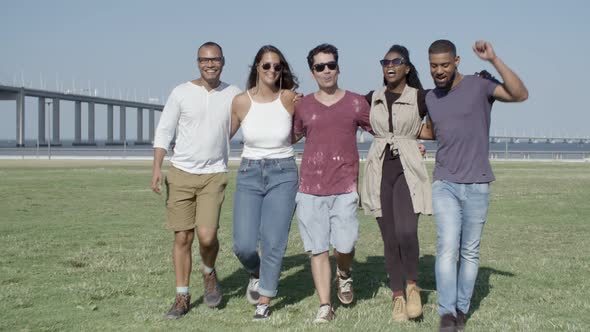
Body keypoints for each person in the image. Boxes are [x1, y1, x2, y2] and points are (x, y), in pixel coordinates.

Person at [426, 40, 528, 332]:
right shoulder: (431, 97)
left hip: (478, 184)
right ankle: (446, 315)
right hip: (444, 182)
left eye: (445, 64)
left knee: (469, 251)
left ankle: (461, 310)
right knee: (446, 247)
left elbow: (520, 94)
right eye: (434, 66)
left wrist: (494, 59)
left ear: (456, 61)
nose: (439, 71)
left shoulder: (480, 84)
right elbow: (434, 131)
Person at [151, 42, 241, 319]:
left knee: (207, 236)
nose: (209, 64)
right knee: (182, 237)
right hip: (180, 173)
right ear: (197, 62)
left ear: (223, 62)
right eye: (204, 60)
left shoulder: (233, 93)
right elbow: (165, 130)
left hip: (213, 174)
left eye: (214, 60)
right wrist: (156, 168)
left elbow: (248, 113)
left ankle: (209, 271)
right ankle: (182, 296)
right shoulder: (181, 92)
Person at [292, 43, 372, 323]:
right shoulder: (302, 105)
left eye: (331, 65)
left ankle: (344, 274)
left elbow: (382, 130)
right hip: (310, 188)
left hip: (345, 186)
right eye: (320, 66)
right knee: (318, 249)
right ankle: (325, 305)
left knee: (345, 245)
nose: (326, 71)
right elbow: (290, 137)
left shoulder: (356, 102)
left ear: (339, 67)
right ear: (312, 72)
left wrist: (411, 144)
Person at [361, 45, 433, 322]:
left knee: (405, 231)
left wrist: (415, 141)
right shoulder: (372, 98)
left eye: (396, 61)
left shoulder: (421, 98)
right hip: (379, 170)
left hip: (408, 170)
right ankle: (398, 297)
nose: (389, 65)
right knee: (389, 238)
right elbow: (342, 110)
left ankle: (413, 286)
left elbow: (440, 121)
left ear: (408, 67)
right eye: (385, 61)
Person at [230, 45, 299, 321]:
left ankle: (265, 299)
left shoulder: (290, 98)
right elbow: (219, 136)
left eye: (277, 66)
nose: (272, 70)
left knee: (273, 241)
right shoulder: (240, 102)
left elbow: (309, 128)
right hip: (249, 173)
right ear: (256, 67)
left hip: (283, 173)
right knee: (243, 245)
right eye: (267, 65)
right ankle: (256, 272)